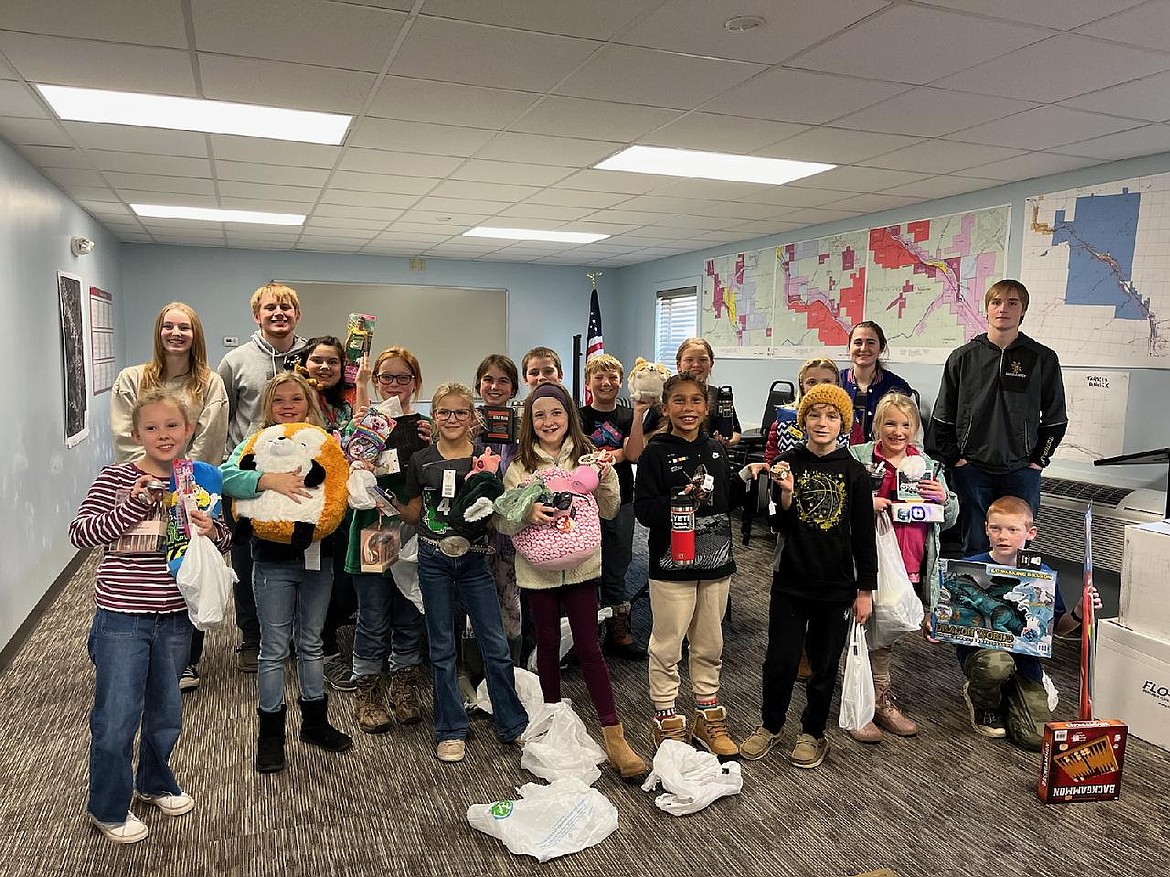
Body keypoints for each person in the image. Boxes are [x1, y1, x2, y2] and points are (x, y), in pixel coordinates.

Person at [70, 389, 231, 844]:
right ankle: (107, 806)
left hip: (176, 615)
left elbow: (218, 544)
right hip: (122, 615)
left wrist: (211, 529)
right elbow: (81, 534)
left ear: (190, 430)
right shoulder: (115, 478)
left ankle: (154, 781)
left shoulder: (201, 478)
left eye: (172, 426)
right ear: (136, 433)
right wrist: (133, 504)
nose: (163, 435)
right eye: (152, 428)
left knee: (165, 711)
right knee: (117, 716)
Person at [496, 381, 647, 779]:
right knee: (546, 644)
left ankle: (614, 735)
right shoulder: (518, 466)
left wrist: (607, 475)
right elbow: (502, 518)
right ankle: (551, 724)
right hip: (538, 569)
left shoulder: (586, 457)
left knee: (589, 648)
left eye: (556, 413)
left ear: (569, 417)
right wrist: (527, 513)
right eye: (539, 414)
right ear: (529, 420)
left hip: (582, 567)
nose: (549, 421)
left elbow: (610, 510)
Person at [221, 372, 353, 773]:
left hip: (318, 556)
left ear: (310, 404)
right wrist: (265, 478)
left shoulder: (325, 444)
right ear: (268, 407)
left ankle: (314, 723)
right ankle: (270, 735)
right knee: (274, 648)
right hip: (271, 560)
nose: (288, 406)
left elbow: (341, 485)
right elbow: (226, 477)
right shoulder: (256, 442)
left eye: (296, 399)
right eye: (280, 402)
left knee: (311, 643)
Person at [740, 383, 876, 768]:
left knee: (823, 662)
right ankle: (770, 725)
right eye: (814, 414)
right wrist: (785, 493)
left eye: (832, 416)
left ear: (843, 423)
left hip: (835, 585)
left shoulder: (854, 473)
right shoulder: (788, 462)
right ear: (802, 421)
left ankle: (813, 732)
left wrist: (865, 589)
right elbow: (780, 524)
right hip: (791, 580)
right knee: (780, 659)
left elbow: (865, 537)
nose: (822, 422)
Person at [399, 382, 527, 764]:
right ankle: (450, 728)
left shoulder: (486, 460)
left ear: (473, 418)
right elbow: (413, 512)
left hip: (475, 560)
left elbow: (498, 509)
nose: (452, 419)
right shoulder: (421, 460)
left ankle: (512, 722)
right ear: (434, 417)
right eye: (444, 412)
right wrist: (376, 489)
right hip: (433, 558)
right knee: (442, 647)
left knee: (495, 643)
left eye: (460, 412)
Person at [110, 302, 228, 692]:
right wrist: (151, 478)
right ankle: (128, 649)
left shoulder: (209, 384)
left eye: (185, 328)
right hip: (142, 488)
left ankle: (186, 659)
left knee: (188, 565)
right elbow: (127, 434)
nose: (176, 334)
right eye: (169, 326)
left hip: (190, 491)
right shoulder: (132, 378)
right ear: (158, 331)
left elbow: (209, 438)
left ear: (196, 335)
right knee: (143, 568)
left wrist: (181, 485)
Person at [634, 372, 739, 758]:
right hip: (672, 565)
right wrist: (680, 499)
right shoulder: (655, 452)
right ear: (666, 408)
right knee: (668, 642)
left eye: (696, 401)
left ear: (706, 408)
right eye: (679, 401)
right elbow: (644, 510)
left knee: (710, 641)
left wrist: (753, 477)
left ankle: (707, 713)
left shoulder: (716, 449)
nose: (688, 408)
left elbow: (727, 501)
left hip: (715, 562)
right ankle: (666, 715)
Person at [847, 392, 958, 742]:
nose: (898, 431)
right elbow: (841, 504)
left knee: (887, 628)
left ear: (916, 428)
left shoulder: (930, 465)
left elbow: (951, 518)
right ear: (877, 425)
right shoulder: (858, 458)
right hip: (867, 559)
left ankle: (879, 696)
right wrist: (867, 502)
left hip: (909, 561)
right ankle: (860, 704)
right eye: (890, 423)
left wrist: (943, 498)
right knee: (860, 627)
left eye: (906, 424)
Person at [927, 279, 1067, 556]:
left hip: (1021, 471)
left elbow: (1055, 419)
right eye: (996, 302)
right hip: (971, 470)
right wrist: (957, 460)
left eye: (1012, 302)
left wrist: (1039, 460)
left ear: (1023, 310)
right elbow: (942, 417)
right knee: (975, 545)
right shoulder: (962, 357)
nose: (1003, 308)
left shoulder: (1042, 358)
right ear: (987, 309)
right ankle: (971, 597)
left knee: (1017, 548)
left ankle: (1015, 598)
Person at [217, 282, 311, 673]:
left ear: (297, 314)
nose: (279, 313)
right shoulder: (235, 361)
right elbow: (222, 417)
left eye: (286, 307)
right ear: (257, 315)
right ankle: (252, 636)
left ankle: (299, 634)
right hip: (249, 474)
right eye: (271, 307)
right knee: (247, 559)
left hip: (302, 473)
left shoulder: (313, 358)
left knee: (302, 554)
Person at [953, 496, 1097, 750]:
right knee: (997, 664)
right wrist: (933, 626)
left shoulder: (1041, 573)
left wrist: (1078, 612)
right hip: (984, 655)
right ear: (986, 528)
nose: (1002, 536)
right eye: (995, 528)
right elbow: (948, 617)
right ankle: (983, 701)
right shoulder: (970, 566)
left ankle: (1014, 691)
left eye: (1012, 529)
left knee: (1036, 738)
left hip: (1024, 660)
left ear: (1030, 533)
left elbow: (1058, 629)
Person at [343, 346, 430, 733]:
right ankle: (368, 690)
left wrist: (435, 442)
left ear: (415, 382)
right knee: (374, 614)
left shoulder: (428, 425)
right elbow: (346, 467)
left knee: (410, 610)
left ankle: (404, 686)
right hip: (376, 528)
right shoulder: (363, 422)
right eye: (386, 378)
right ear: (375, 381)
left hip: (413, 529)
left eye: (403, 378)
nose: (394, 385)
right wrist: (358, 433)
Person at [299, 336, 361, 692]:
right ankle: (320, 646)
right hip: (310, 500)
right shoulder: (300, 397)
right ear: (306, 362)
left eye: (332, 362)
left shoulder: (349, 402)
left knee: (345, 577)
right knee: (315, 574)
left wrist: (364, 384)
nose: (324, 368)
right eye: (317, 360)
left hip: (348, 499)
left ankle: (325, 633)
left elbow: (363, 436)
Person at [579, 353, 650, 660]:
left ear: (621, 382)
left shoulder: (626, 416)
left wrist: (637, 416)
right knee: (585, 565)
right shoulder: (578, 415)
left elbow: (634, 454)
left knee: (617, 563)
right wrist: (612, 454)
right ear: (588, 383)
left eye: (612, 378)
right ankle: (587, 632)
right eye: (599, 377)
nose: (606, 383)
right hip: (584, 500)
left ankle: (618, 631)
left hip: (622, 499)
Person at [475, 353, 523, 666]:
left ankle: (512, 666)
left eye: (503, 380)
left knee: (511, 598)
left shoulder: (523, 426)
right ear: (478, 385)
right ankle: (476, 664)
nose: (495, 386)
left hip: (510, 529)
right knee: (476, 598)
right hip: (475, 530)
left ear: (514, 388)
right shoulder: (464, 421)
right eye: (488, 379)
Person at [840, 321, 914, 446]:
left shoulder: (897, 387)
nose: (863, 348)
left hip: (882, 459)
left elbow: (913, 434)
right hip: (839, 457)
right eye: (858, 343)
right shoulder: (835, 382)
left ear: (881, 348)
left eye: (870, 343)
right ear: (849, 347)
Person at [763, 358, 843, 465]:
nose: (819, 387)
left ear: (836, 384)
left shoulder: (849, 425)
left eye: (826, 382)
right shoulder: (782, 424)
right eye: (812, 382)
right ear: (802, 385)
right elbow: (771, 462)